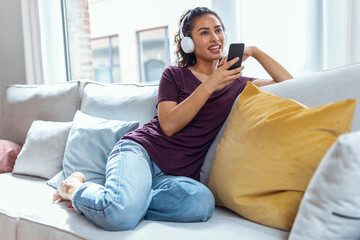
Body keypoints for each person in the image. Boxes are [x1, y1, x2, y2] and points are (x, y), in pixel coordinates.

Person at [53, 7, 293, 231]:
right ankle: (74, 188)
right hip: (141, 152)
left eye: (218, 30)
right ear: (188, 43)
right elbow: (168, 125)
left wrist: (255, 51)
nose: (215, 38)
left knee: (202, 204)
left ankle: (123, 196)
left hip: (175, 178)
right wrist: (211, 84)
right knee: (120, 217)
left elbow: (291, 85)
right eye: (204, 32)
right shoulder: (174, 74)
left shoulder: (237, 83)